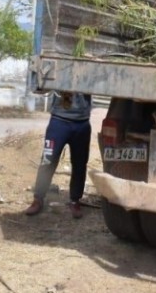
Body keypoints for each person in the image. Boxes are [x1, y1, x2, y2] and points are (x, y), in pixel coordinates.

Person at [24, 91, 93, 219]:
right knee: (47, 161)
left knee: (80, 164)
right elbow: (41, 87)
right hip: (58, 122)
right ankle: (38, 199)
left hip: (82, 123)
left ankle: (75, 201)